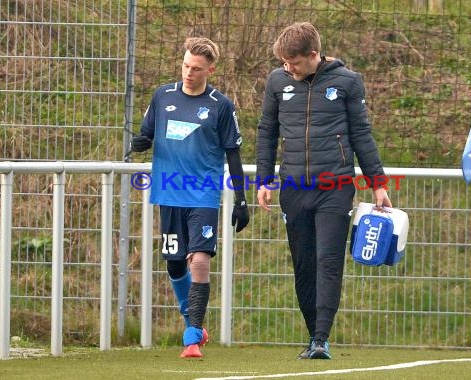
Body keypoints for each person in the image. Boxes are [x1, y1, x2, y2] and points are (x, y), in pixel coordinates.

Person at [255, 22, 392, 360]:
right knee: (304, 265)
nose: (289, 68)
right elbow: (266, 133)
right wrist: (262, 180)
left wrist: (378, 184)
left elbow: (361, 133)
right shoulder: (277, 82)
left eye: (295, 62)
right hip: (293, 188)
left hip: (335, 188)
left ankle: (321, 338)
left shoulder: (347, 81)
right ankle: (312, 332)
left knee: (328, 261)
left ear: (313, 55)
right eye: (284, 63)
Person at [130, 37, 250, 358]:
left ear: (210, 69)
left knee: (198, 261)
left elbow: (233, 154)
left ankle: (192, 337)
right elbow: (147, 133)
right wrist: (140, 142)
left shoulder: (220, 106)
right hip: (168, 192)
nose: (188, 73)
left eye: (196, 69)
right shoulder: (162, 96)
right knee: (174, 264)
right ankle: (193, 320)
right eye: (185, 65)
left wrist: (241, 199)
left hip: (203, 195)